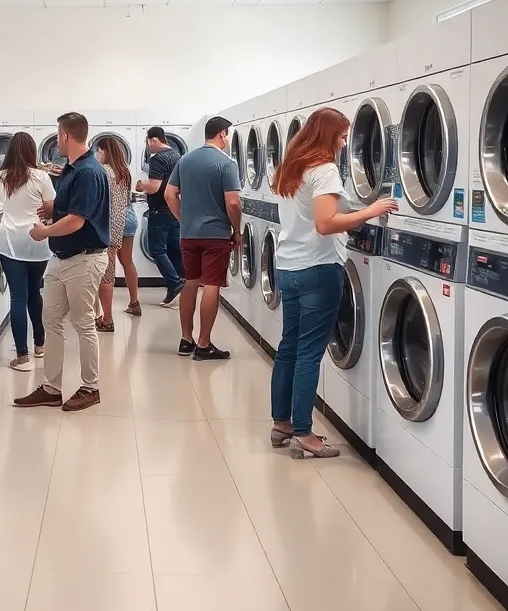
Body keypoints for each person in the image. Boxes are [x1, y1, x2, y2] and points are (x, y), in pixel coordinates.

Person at [270, 107, 397, 459]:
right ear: (327, 136)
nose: (344, 144)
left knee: (289, 347)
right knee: (309, 353)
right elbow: (326, 223)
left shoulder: (290, 167)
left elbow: (314, 211)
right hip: (317, 270)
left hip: (289, 267)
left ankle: (282, 422)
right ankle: (303, 433)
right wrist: (372, 211)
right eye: (341, 136)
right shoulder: (324, 169)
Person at [14, 112, 110, 412]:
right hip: (62, 258)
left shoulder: (89, 172)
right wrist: (51, 208)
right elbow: (69, 206)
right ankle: (51, 388)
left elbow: (77, 221)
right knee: (51, 321)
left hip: (85, 259)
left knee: (83, 324)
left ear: (66, 136)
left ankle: (90, 388)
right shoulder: (70, 169)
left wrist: (44, 232)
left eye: (58, 134)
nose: (56, 139)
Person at [164, 116, 241, 361]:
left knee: (191, 282)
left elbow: (169, 194)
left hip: (189, 234)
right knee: (211, 286)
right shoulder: (226, 163)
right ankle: (204, 344)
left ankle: (186, 339)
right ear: (221, 134)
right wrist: (236, 229)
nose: (227, 140)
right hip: (216, 235)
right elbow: (233, 202)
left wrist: (183, 219)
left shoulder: (185, 160)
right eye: (227, 135)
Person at [0, 131, 56, 372]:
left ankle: (22, 356)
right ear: (32, 151)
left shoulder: (1, 176)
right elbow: (50, 208)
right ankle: (40, 344)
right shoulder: (42, 177)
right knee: (34, 294)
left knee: (18, 297)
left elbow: (3, 203)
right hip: (37, 239)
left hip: (10, 241)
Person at [136, 127, 183, 306]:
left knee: (157, 249)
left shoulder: (158, 159)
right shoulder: (177, 155)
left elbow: (155, 187)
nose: (148, 146)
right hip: (175, 208)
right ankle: (179, 284)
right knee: (174, 250)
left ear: (154, 140)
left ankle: (175, 283)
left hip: (160, 210)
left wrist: (141, 185)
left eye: (148, 142)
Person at [93, 136, 131, 333]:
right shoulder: (124, 173)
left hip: (101, 230)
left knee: (100, 277)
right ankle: (103, 316)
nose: (97, 155)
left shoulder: (102, 172)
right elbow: (126, 202)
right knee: (108, 275)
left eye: (98, 151)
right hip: (116, 230)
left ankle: (106, 319)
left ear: (104, 151)